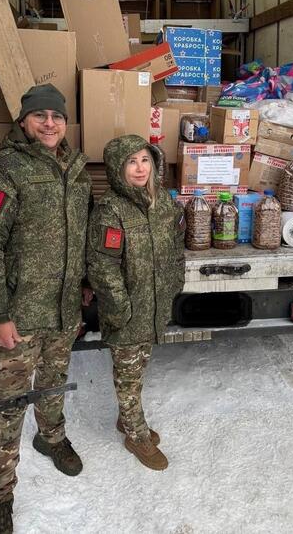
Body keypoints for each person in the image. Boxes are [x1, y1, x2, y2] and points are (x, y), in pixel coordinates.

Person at [0, 84, 92, 534]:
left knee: (54, 383)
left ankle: (51, 437)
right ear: (23, 121)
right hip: (19, 315)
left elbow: (80, 235)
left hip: (63, 309)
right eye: (40, 116)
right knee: (7, 407)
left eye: (56, 116)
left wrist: (83, 282)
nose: (49, 123)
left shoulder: (76, 170)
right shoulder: (4, 169)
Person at [86, 134, 185, 471]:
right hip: (127, 310)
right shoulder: (110, 210)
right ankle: (136, 434)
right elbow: (102, 267)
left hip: (153, 305)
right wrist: (120, 308)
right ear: (118, 168)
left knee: (139, 366)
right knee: (128, 375)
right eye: (131, 162)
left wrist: (174, 282)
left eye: (145, 160)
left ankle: (125, 418)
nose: (140, 168)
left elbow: (176, 245)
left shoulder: (162, 201)